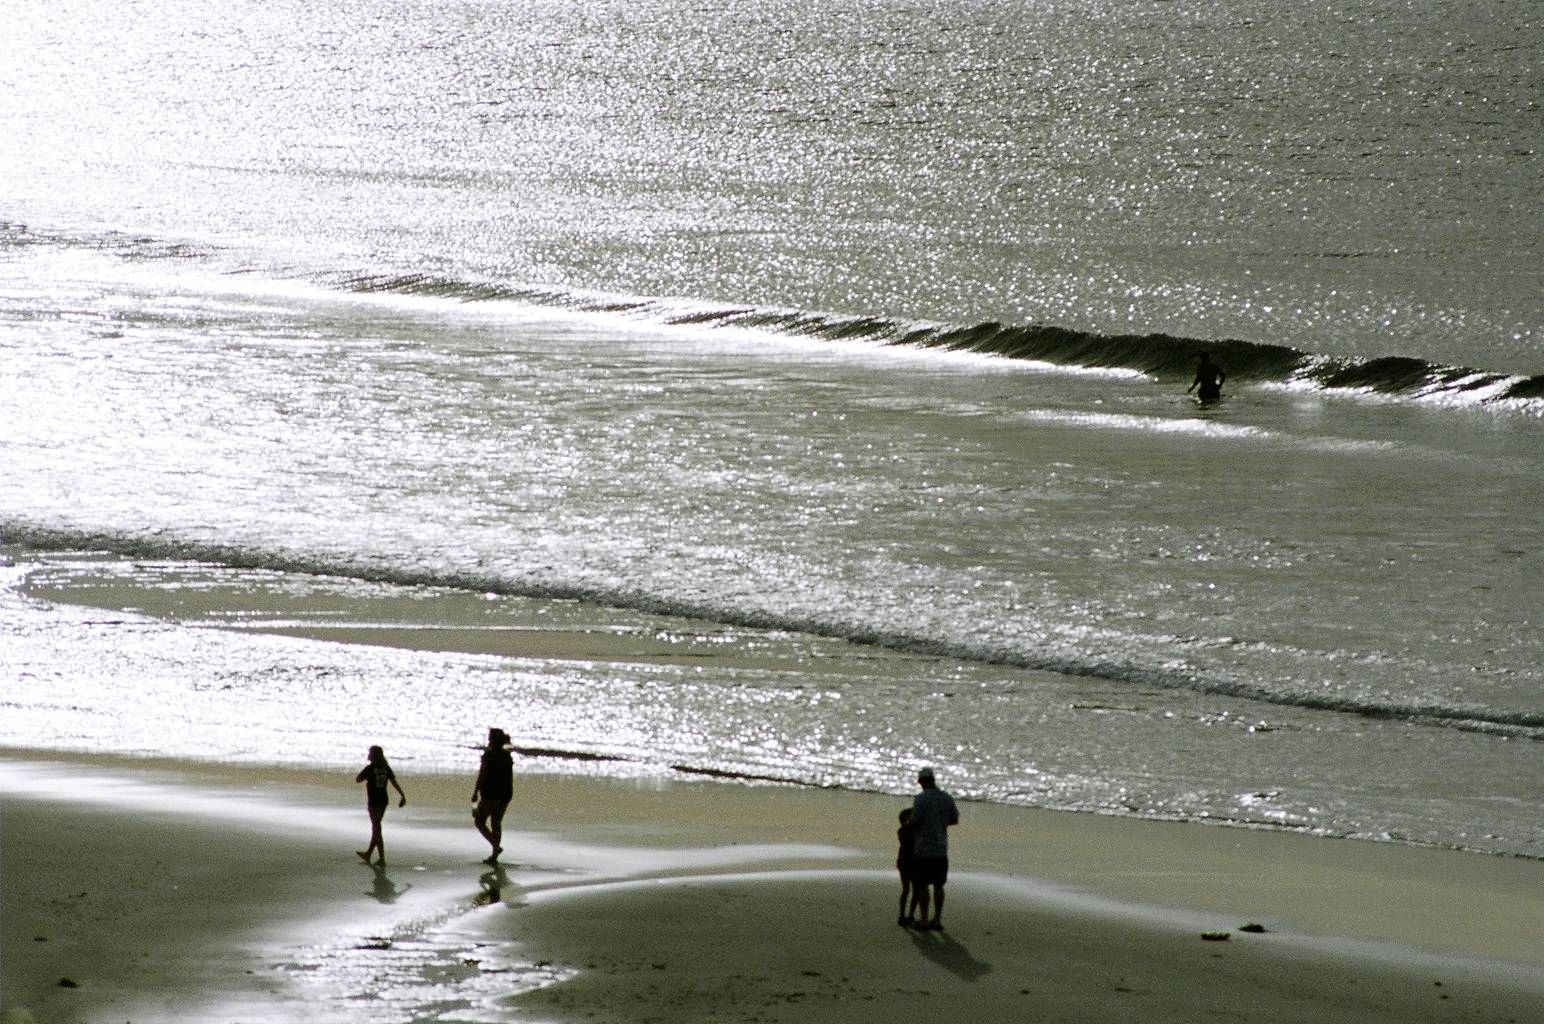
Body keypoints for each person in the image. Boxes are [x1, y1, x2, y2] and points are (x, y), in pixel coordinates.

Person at [909, 766, 959, 931]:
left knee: (922, 885)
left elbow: (915, 822)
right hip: (941, 848)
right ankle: (936, 919)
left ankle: (923, 918)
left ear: (922, 781)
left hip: (923, 848)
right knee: (939, 885)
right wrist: (939, 823)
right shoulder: (946, 798)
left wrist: (908, 827)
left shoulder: (921, 799)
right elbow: (954, 819)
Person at [355, 745, 406, 865]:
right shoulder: (385, 767)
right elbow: (394, 782)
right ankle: (368, 854)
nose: (368, 755)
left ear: (373, 755)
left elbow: (358, 779)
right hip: (383, 800)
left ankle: (382, 858)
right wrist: (402, 795)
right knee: (376, 827)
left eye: (369, 753)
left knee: (377, 828)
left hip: (374, 801)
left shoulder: (370, 768)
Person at [471, 727, 514, 864]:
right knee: (496, 822)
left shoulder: (489, 755)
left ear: (492, 740)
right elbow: (509, 776)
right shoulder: (507, 755)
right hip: (506, 792)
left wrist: (475, 792)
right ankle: (494, 855)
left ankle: (496, 847)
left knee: (479, 821)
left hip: (491, 792)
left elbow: (482, 774)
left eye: (489, 738)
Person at [895, 806, 920, 927]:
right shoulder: (903, 831)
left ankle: (910, 915)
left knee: (914, 891)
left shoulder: (909, 830)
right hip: (907, 862)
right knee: (907, 890)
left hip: (909, 862)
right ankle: (903, 915)